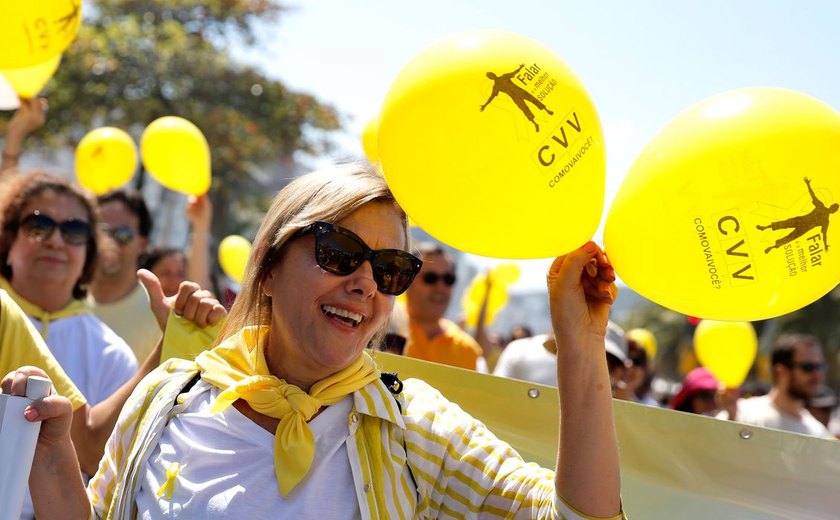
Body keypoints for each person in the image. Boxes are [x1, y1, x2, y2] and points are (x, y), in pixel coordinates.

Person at [9, 163, 624, 519]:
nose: (364, 284)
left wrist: (581, 341)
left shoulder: (413, 427)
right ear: (268, 270)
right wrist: (52, 456)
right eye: (338, 252)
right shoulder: (166, 400)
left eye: (389, 269)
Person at [0, 172, 138, 406]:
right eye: (39, 225)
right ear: (8, 240)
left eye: (74, 231)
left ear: (89, 253)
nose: (56, 241)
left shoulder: (112, 356)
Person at [88, 189, 162, 362]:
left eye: (123, 234)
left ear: (142, 244)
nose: (109, 242)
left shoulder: (157, 317)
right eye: (101, 232)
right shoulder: (61, 299)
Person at [724, 333, 831, 436]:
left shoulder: (818, 432)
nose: (817, 375)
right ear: (781, 371)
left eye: (820, 367)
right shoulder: (742, 413)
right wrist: (731, 417)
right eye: (808, 367)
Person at [402, 242, 486, 371]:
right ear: (407, 280)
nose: (440, 287)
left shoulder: (468, 350)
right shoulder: (380, 331)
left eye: (448, 279)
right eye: (430, 278)